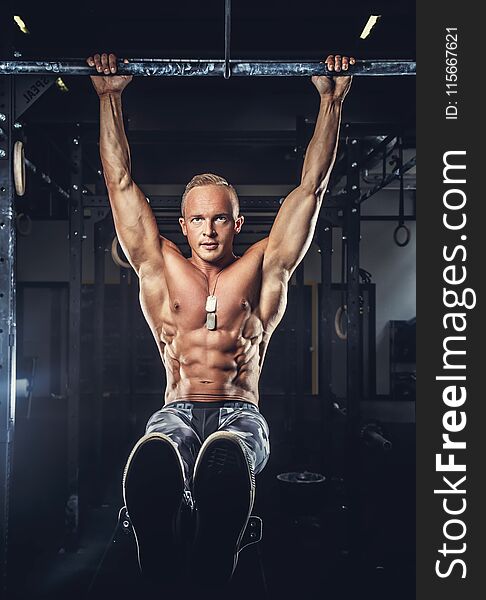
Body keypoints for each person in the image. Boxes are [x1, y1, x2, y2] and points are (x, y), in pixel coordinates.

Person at [87, 52, 353, 590]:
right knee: (157, 450)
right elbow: (119, 182)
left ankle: (217, 550)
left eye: (219, 219)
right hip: (178, 407)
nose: (208, 231)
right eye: (197, 219)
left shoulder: (262, 265)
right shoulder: (159, 266)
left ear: (237, 222)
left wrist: (331, 102)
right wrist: (109, 96)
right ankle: (156, 549)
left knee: (227, 454)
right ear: (182, 224)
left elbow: (310, 189)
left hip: (240, 413)